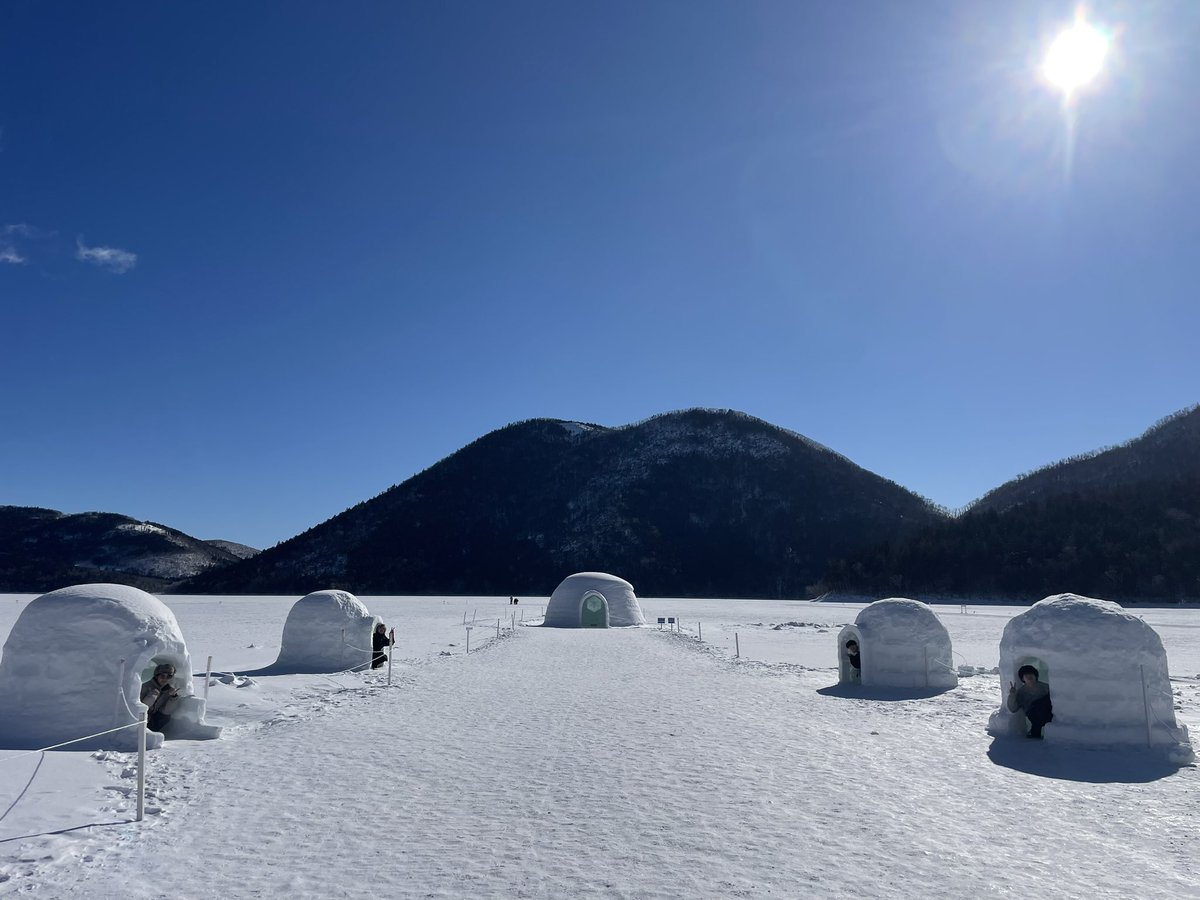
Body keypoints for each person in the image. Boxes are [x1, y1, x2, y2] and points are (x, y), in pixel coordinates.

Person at [1007, 664, 1053, 739]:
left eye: (1031, 674)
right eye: (1026, 675)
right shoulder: (1021, 692)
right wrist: (1012, 695)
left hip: (1048, 713)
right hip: (1034, 715)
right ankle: (1035, 733)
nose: (1029, 676)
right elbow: (1013, 709)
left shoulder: (1045, 687)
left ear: (1035, 676)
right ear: (1023, 678)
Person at [140, 663, 179, 733]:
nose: (165, 679)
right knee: (152, 696)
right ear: (157, 676)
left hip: (153, 719)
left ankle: (152, 733)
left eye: (169, 676)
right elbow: (138, 707)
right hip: (140, 718)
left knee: (165, 717)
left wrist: (173, 697)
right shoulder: (146, 687)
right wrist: (152, 696)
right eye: (162, 676)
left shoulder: (168, 690)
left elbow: (166, 711)